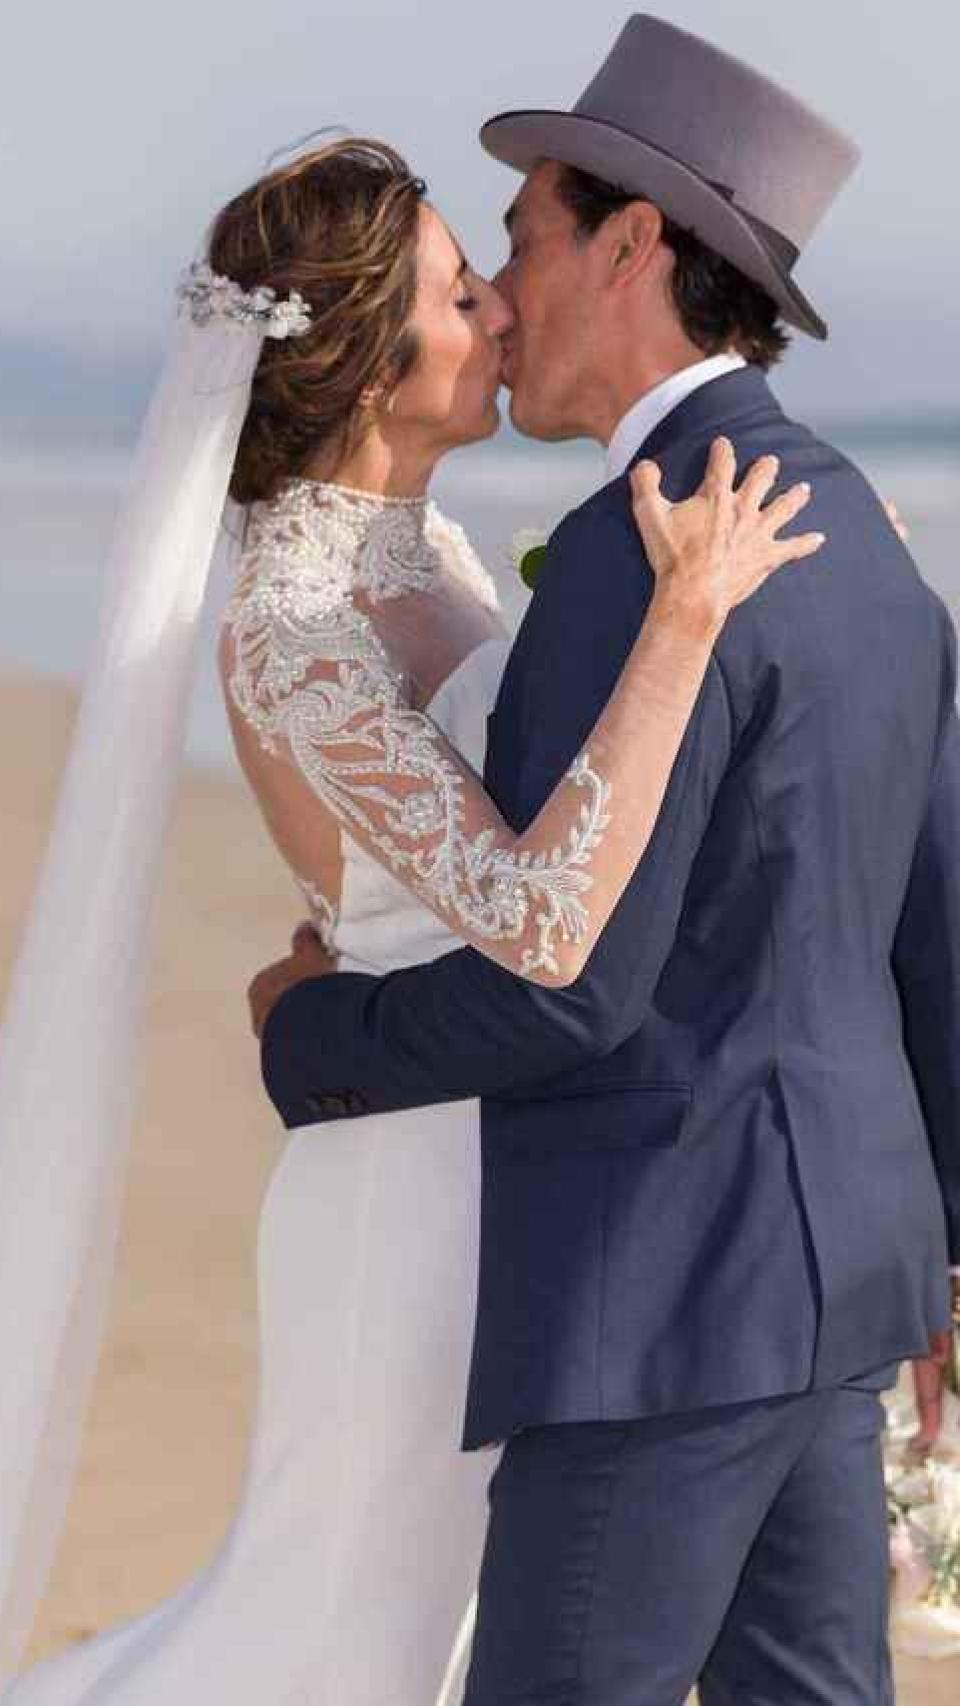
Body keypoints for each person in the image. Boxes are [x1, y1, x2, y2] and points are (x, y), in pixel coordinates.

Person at [0, 120, 819, 1706]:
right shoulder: (299, 627)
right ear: (374, 365)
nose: (505, 312)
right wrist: (686, 621)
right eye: (460, 296)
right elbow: (530, 907)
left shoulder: (430, 553)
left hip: (501, 1161)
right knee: (337, 1640)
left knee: (431, 1640)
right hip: (403, 1204)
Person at [252, 16, 960, 1706]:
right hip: (841, 1290)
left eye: (521, 236)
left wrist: (308, 1037)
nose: (502, 289)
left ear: (634, 242)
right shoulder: (861, 524)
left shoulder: (630, 560)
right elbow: (933, 926)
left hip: (656, 1312)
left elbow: (575, 989)